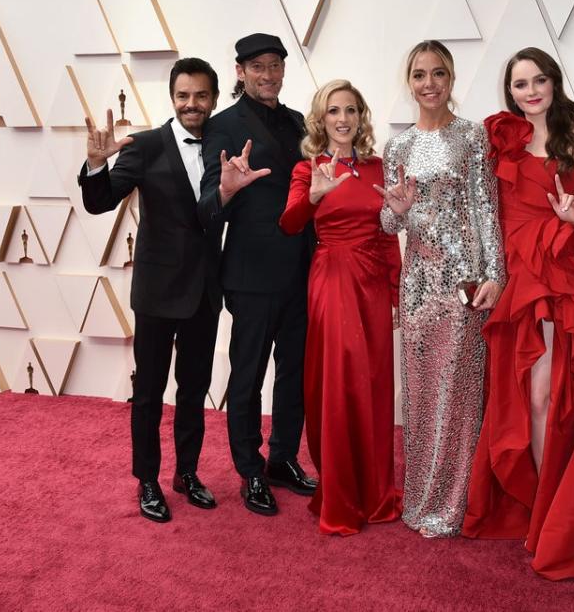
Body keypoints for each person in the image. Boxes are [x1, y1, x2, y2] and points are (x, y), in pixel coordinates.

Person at [462, 47, 574, 578]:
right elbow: (486, 214)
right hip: (516, 273)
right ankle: (540, 505)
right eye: (519, 84)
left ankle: (557, 507)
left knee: (552, 393)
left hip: (558, 267)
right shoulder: (503, 140)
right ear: (509, 91)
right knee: (526, 394)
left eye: (538, 81)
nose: (529, 92)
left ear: (554, 83)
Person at [78, 58, 222, 523]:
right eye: (183, 95)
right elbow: (100, 202)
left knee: (194, 388)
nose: (192, 104)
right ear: (172, 98)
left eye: (201, 95)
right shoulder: (145, 145)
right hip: (158, 292)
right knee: (150, 393)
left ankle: (187, 472)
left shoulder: (225, 144)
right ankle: (148, 480)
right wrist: (97, 165)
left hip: (204, 291)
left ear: (214, 99)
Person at [377, 40, 504, 538]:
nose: (429, 83)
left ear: (451, 79)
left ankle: (455, 503)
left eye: (438, 73)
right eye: (419, 74)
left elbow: (485, 208)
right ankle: (422, 497)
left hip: (462, 281)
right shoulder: (398, 147)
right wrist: (400, 209)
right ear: (408, 82)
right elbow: (389, 223)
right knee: (421, 392)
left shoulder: (471, 137)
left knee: (459, 390)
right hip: (418, 282)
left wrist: (495, 273)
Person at [198, 33, 316, 517]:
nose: (269, 74)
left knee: (296, 373)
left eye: (276, 65)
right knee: (247, 377)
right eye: (258, 66)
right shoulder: (222, 126)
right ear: (240, 71)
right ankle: (250, 470)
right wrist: (227, 190)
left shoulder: (298, 123)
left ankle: (283, 457)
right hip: (251, 275)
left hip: (304, 269)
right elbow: (208, 205)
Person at [279, 80, 403, 535]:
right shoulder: (306, 168)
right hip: (331, 280)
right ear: (321, 119)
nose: (343, 119)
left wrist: (395, 291)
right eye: (334, 111)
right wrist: (314, 194)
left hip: (372, 283)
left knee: (372, 383)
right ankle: (340, 496)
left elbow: (389, 233)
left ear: (360, 116)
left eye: (351, 110)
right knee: (338, 383)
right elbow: (290, 224)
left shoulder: (377, 167)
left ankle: (375, 493)